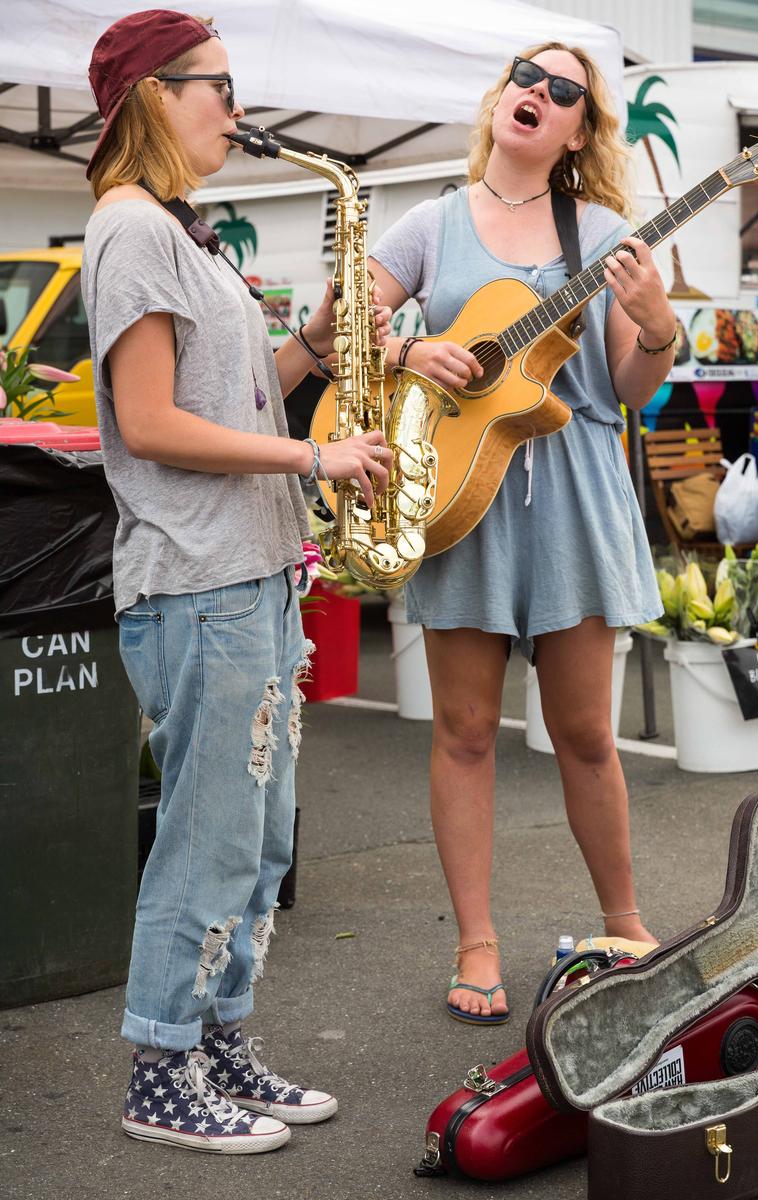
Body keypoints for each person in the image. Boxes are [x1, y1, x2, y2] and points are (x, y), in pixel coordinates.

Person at [82, 9, 393, 1152]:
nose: (235, 106)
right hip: (198, 583)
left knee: (256, 839)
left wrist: (310, 342)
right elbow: (156, 423)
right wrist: (318, 455)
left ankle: (216, 1042)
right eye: (216, 84)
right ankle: (159, 1068)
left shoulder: (180, 231)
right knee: (207, 838)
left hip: (248, 575)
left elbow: (233, 392)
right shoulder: (129, 230)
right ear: (153, 96)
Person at [369, 43, 675, 1024]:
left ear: (579, 130)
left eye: (563, 91)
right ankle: (476, 943)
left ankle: (625, 924)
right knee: (463, 734)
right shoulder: (429, 222)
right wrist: (412, 346)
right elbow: (342, 333)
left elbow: (630, 391)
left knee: (585, 734)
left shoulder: (604, 232)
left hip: (574, 491)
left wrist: (655, 326)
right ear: (499, 97)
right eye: (524, 77)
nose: (536, 94)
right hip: (465, 488)